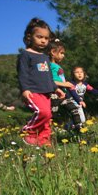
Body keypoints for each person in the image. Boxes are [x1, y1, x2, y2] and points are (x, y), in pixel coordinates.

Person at [17, 17, 65, 147]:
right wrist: (25, 89)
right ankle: (28, 131)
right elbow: (22, 74)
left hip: (46, 92)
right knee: (42, 112)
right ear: (29, 36)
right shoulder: (25, 55)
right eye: (39, 37)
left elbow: (49, 76)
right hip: (33, 91)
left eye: (46, 38)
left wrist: (56, 88)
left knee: (48, 117)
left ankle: (43, 140)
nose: (43, 40)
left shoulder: (44, 57)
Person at [47, 38, 84, 127]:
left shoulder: (57, 66)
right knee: (53, 114)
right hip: (55, 94)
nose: (63, 56)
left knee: (74, 109)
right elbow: (50, 80)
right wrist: (65, 84)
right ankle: (51, 131)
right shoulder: (50, 65)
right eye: (61, 53)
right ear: (53, 52)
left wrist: (66, 84)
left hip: (63, 94)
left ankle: (79, 129)